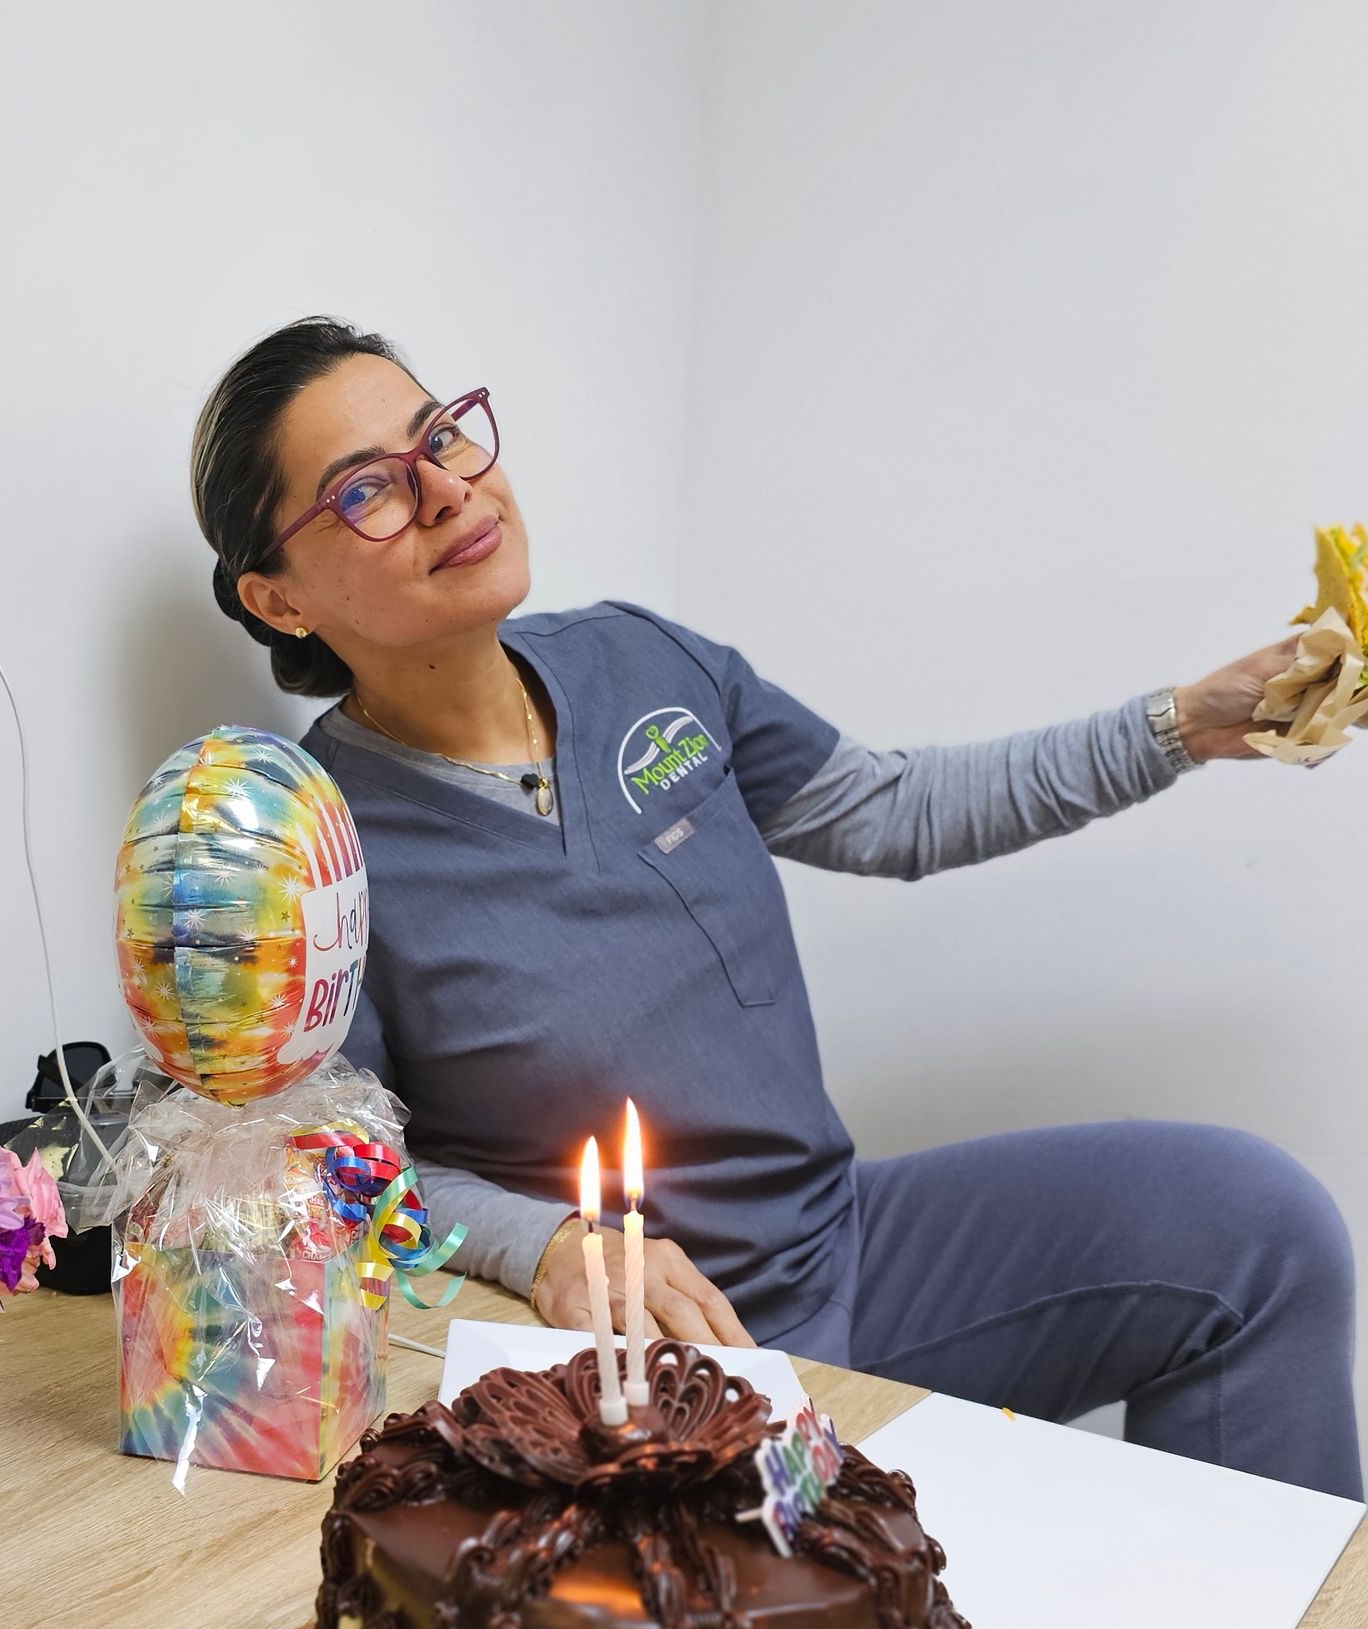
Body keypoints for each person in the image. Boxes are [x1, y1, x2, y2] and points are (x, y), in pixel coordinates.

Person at [191, 316, 1361, 1499]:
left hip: (847, 1242)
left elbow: (890, 808)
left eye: (443, 434)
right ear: (279, 598)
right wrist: (543, 1245)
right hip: (645, 1365)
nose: (446, 488)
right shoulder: (308, 843)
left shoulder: (642, 661)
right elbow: (341, 1168)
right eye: (367, 492)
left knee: (1257, 1230)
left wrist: (1188, 723)